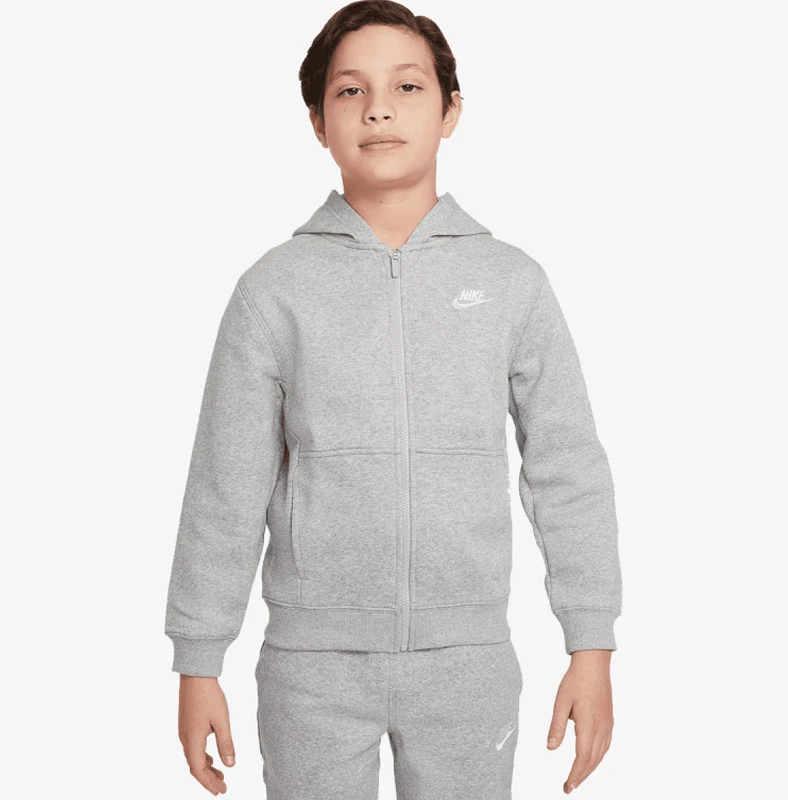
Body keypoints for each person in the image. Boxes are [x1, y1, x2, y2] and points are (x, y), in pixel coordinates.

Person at [163, 1, 623, 797]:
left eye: (407, 86)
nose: (378, 108)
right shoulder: (273, 290)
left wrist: (591, 644)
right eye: (350, 90)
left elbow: (567, 468)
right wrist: (198, 660)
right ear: (318, 122)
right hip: (310, 667)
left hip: (468, 662)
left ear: (451, 111)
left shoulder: (512, 283)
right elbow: (224, 484)